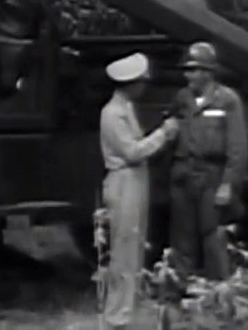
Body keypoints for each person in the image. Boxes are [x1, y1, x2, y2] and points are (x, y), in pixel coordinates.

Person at [100, 52, 180, 329]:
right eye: (141, 82)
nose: (144, 87)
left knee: (134, 244)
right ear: (130, 83)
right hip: (124, 182)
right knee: (123, 247)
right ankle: (116, 315)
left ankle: (126, 309)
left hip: (134, 180)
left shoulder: (127, 108)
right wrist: (163, 134)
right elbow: (132, 151)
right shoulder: (113, 113)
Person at [167, 41, 248, 283]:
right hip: (183, 173)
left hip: (212, 175)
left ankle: (216, 292)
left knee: (212, 235)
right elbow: (171, 129)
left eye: (193, 69)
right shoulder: (181, 98)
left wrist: (228, 184)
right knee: (181, 237)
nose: (188, 75)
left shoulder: (227, 100)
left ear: (208, 72)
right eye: (187, 69)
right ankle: (181, 288)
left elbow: (238, 147)